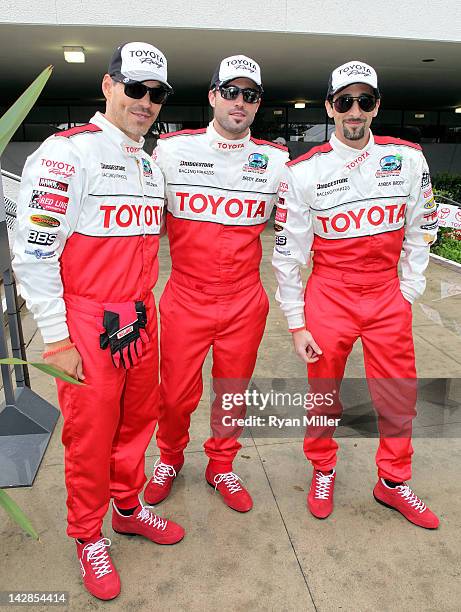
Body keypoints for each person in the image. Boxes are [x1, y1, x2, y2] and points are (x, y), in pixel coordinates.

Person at [13, 42, 185, 601]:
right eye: (135, 88)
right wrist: (58, 337)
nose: (146, 101)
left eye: (157, 93)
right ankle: (88, 536)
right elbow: (35, 252)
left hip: (140, 313)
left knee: (139, 421)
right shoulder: (68, 154)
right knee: (90, 437)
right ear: (109, 86)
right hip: (86, 319)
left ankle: (128, 507)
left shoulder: (148, 162)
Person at [272, 60, 439, 529]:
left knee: (398, 393)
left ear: (376, 106)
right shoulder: (302, 171)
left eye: (364, 101)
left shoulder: (407, 158)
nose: (355, 111)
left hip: (387, 294)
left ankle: (392, 481)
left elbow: (421, 227)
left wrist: (408, 290)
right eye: (345, 101)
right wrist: (297, 321)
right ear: (329, 106)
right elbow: (289, 253)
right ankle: (322, 468)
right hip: (330, 293)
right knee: (324, 393)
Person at [144, 54, 289, 512]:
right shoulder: (171, 150)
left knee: (233, 391)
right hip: (186, 297)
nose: (239, 102)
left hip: (245, 299)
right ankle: (168, 459)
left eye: (250, 95)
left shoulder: (277, 160)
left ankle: (221, 464)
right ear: (212, 96)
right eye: (230, 92)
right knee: (174, 394)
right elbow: (144, 226)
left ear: (258, 103)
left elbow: (299, 230)